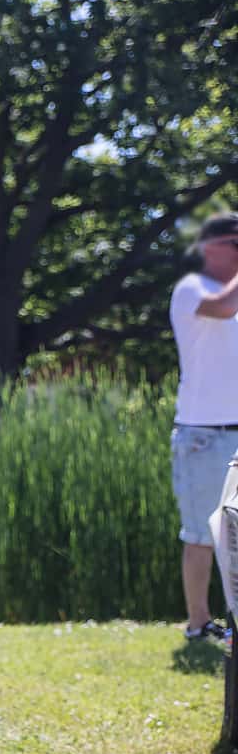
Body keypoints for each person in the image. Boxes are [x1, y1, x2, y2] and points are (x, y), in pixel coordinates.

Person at [169, 213, 238, 642]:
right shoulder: (192, 289)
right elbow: (223, 307)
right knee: (201, 536)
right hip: (203, 436)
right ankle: (198, 624)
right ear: (210, 247)